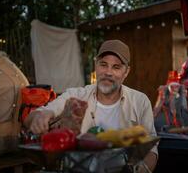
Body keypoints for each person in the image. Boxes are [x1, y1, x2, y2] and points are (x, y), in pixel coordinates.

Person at [24, 39, 158, 172]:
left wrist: (142, 169)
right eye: (103, 64)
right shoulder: (76, 96)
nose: (108, 72)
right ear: (96, 66)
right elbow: (32, 117)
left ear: (126, 72)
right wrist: (42, 116)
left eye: (116, 67)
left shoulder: (139, 101)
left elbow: (151, 149)